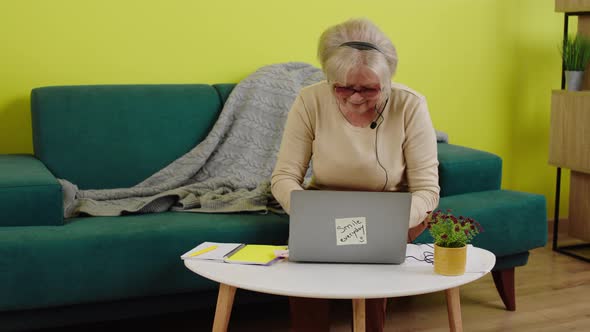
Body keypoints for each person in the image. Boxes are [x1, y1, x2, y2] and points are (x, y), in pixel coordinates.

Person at [270, 18, 440, 332]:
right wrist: (306, 212)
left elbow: (428, 191)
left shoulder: (410, 105)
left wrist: (393, 220)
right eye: (344, 88)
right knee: (304, 274)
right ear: (328, 79)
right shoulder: (310, 100)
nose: (356, 98)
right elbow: (283, 176)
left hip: (391, 210)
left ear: (387, 81)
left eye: (369, 89)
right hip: (323, 207)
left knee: (371, 273)